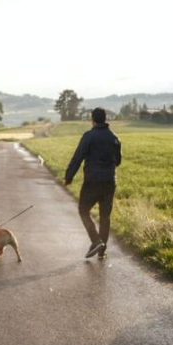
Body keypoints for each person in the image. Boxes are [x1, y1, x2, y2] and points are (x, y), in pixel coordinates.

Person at [64, 107, 121, 258]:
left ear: (93, 120)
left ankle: (96, 240)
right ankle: (102, 252)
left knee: (83, 211)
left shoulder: (89, 136)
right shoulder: (114, 138)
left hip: (92, 182)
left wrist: (69, 177)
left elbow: (78, 157)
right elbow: (118, 161)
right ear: (106, 119)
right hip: (109, 182)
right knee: (105, 216)